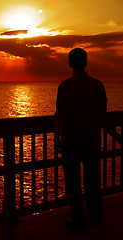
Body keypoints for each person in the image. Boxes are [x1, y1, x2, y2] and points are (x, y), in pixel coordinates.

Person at [54, 48, 107, 234]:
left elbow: (60, 115)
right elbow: (102, 111)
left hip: (72, 138)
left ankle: (79, 221)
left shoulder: (65, 86)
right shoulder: (98, 85)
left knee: (74, 180)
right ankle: (96, 216)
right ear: (86, 63)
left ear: (70, 63)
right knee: (92, 179)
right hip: (92, 136)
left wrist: (56, 138)